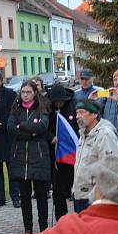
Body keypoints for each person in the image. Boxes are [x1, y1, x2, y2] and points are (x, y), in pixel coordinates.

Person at [7, 80, 51, 234]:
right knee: (25, 198)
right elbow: (11, 128)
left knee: (41, 196)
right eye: (23, 92)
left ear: (34, 93)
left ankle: (44, 227)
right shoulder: (16, 109)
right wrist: (30, 131)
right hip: (20, 158)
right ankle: (28, 229)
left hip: (38, 157)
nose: (25, 95)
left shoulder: (41, 109)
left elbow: (42, 127)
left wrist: (23, 126)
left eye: (28, 92)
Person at [72, 100, 118, 213]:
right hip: (80, 195)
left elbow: (109, 168)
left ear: (95, 114)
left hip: (94, 199)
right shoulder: (83, 134)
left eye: (82, 112)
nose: (77, 116)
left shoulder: (105, 135)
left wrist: (98, 196)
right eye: (77, 113)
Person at [48, 84, 78, 220]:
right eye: (56, 103)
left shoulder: (74, 105)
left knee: (77, 188)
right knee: (58, 190)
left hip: (72, 155)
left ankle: (79, 217)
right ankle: (61, 218)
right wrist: (50, 137)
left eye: (60, 102)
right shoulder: (47, 108)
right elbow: (44, 127)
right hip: (56, 156)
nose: (58, 105)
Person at [0, 72, 19, 208]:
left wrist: (0, 125)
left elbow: (11, 112)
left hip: (6, 137)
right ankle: (0, 198)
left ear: (2, 80)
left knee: (11, 168)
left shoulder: (10, 94)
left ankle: (15, 197)